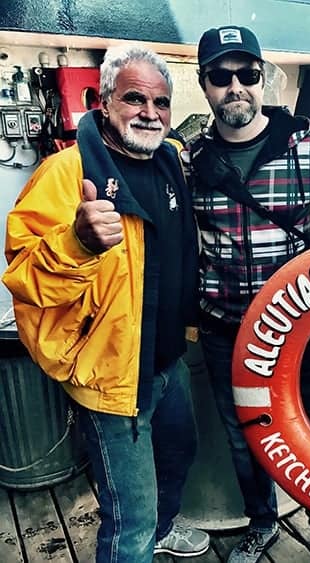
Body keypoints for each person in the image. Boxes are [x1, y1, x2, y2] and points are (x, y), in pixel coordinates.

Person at [2, 45, 209, 562]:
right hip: (111, 379)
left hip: (167, 365)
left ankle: (164, 531)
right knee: (129, 519)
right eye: (134, 98)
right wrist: (77, 243)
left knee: (179, 457)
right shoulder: (64, 172)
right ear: (104, 101)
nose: (149, 112)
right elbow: (22, 276)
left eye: (161, 103)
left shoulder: (170, 164)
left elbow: (178, 256)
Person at [188, 25, 310, 563]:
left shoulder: (302, 145)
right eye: (220, 75)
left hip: (295, 327)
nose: (235, 86)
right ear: (204, 84)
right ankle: (262, 521)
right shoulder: (191, 163)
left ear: (264, 79)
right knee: (244, 435)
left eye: (247, 74)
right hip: (224, 328)